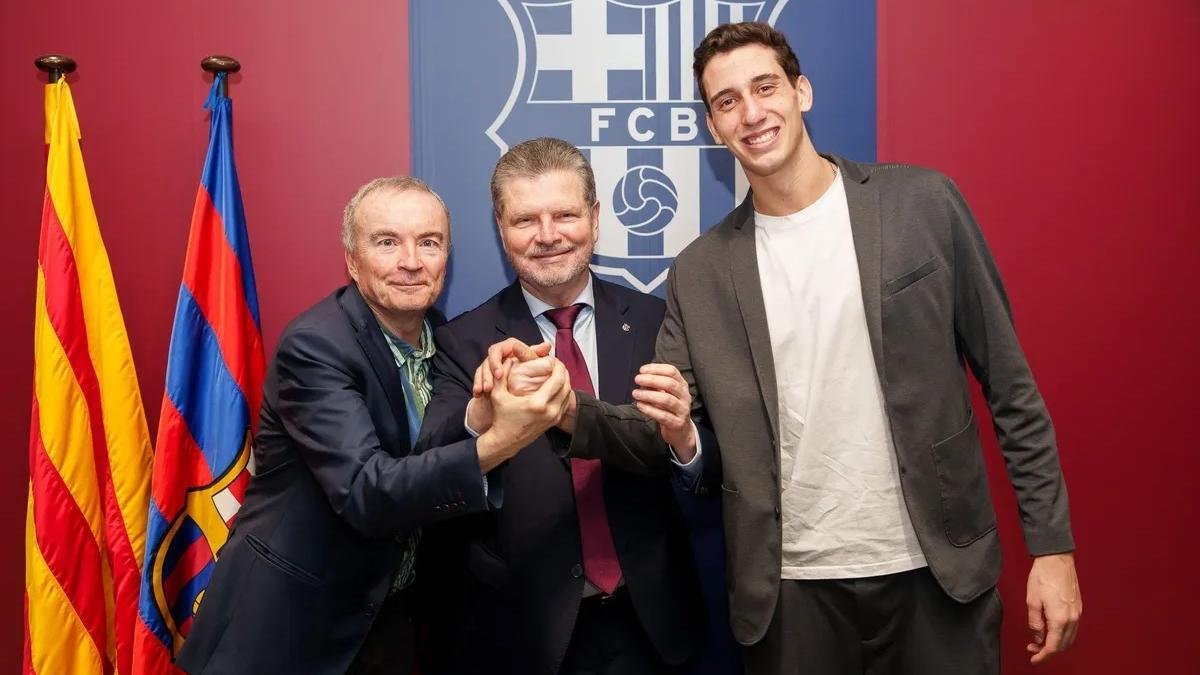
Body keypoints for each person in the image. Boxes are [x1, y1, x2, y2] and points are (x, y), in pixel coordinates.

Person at [564, 21, 1082, 674]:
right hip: (790, 598)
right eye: (727, 101)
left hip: (936, 575)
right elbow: (659, 430)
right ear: (713, 128)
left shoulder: (921, 204)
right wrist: (565, 410)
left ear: (801, 91)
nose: (751, 113)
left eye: (765, 87)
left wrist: (1052, 547)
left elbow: (1010, 386)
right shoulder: (700, 272)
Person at [176, 177, 571, 674]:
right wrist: (500, 442)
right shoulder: (316, 346)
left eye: (429, 243)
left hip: (389, 626)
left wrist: (483, 410)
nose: (411, 261)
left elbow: (427, 455)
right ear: (352, 260)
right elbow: (367, 491)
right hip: (289, 631)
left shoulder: (443, 339)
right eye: (387, 242)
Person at [416, 137, 707, 675]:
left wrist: (685, 443)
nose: (547, 235)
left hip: (652, 621)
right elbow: (429, 466)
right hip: (525, 628)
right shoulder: (463, 341)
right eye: (525, 220)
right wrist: (482, 414)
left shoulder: (656, 321)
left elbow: (706, 464)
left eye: (565, 215)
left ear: (594, 219)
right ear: (501, 228)